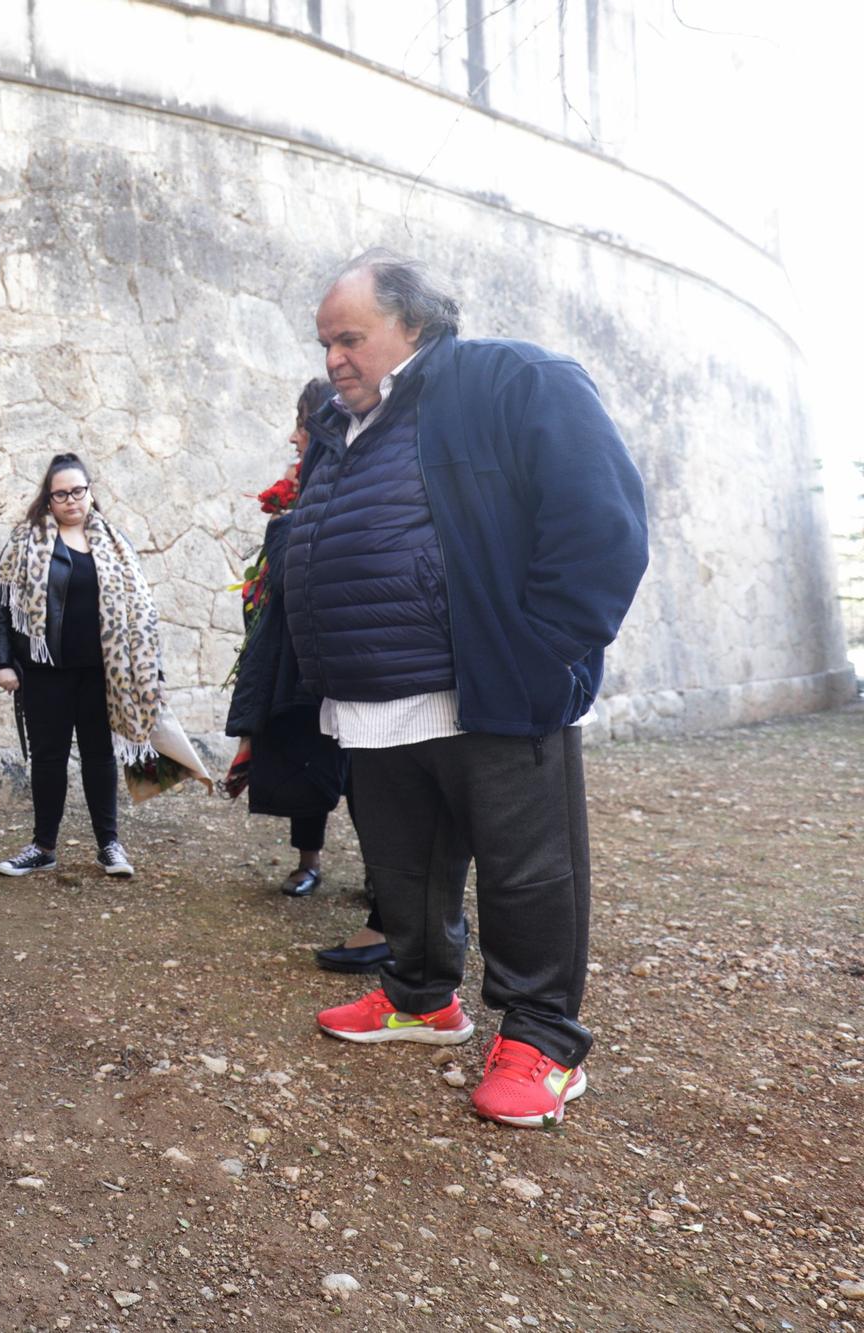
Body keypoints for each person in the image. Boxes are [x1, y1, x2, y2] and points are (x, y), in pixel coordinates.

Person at [286, 250, 648, 1127]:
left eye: (349, 338)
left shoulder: (510, 380)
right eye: (325, 341)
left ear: (413, 324)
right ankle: (419, 997)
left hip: (490, 686)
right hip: (375, 700)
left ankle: (541, 1039)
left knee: (528, 874)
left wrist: (539, 653)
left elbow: (603, 524)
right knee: (403, 868)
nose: (333, 358)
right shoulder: (344, 425)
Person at [221, 379, 396, 973]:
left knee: (370, 778)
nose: (295, 436)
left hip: (354, 660)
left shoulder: (356, 484)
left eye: (303, 424)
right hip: (302, 658)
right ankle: (309, 861)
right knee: (304, 754)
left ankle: (388, 889)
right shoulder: (303, 493)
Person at [0, 452, 164, 878]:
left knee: (100, 757)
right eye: (61, 494)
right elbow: (0, 607)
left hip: (105, 674)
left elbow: (143, 613)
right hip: (45, 673)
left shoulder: (115, 543)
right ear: (48, 500)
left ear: (90, 492)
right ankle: (43, 846)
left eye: (77, 491)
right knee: (48, 760)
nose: (71, 500)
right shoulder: (24, 543)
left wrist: (151, 669)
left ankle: (109, 845)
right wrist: (2, 663)